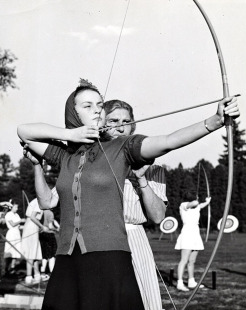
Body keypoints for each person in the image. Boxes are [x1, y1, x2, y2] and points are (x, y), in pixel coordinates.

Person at [17, 79, 240, 310]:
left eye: (100, 104)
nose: (96, 109)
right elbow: (24, 131)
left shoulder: (123, 148)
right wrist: (70, 135)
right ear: (72, 113)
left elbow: (168, 141)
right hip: (66, 258)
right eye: (87, 105)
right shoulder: (64, 156)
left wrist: (215, 121)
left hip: (109, 257)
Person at [24, 99, 167, 310]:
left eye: (126, 121)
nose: (120, 126)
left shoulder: (152, 164)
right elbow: (49, 201)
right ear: (101, 123)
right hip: (97, 246)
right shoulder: (86, 160)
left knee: (141, 302)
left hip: (134, 241)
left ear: (133, 125)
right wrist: (37, 166)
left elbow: (157, 217)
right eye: (113, 120)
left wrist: (142, 180)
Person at [174, 191, 211, 291]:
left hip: (195, 234)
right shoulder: (183, 205)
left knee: (192, 261)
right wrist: (197, 200)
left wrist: (207, 202)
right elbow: (195, 203)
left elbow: (200, 205)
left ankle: (191, 282)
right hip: (187, 234)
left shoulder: (197, 207)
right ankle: (180, 283)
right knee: (184, 260)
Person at [21, 198, 49, 284]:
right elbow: (33, 217)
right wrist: (42, 226)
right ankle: (29, 277)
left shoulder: (37, 201)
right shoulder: (38, 202)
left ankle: (37, 275)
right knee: (31, 253)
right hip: (31, 228)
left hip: (32, 228)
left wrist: (39, 227)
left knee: (35, 253)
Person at [4, 202, 24, 274]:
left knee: (16, 252)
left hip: (17, 233)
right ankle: (6, 268)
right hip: (11, 234)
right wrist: (20, 221)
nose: (17, 209)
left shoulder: (17, 215)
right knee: (10, 252)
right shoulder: (8, 214)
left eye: (17, 207)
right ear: (11, 207)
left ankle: (13, 268)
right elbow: (12, 224)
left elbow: (18, 226)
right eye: (15, 207)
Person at [39, 209, 59, 280]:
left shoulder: (42, 211)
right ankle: (52, 273)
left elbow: (52, 221)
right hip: (49, 235)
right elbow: (50, 226)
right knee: (52, 255)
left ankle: (42, 273)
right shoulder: (50, 213)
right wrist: (56, 229)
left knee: (44, 254)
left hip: (41, 235)